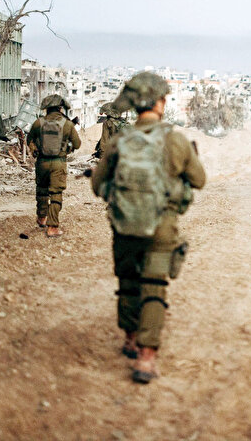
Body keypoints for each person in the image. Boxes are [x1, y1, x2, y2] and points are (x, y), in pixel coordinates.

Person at [91, 72, 206, 384]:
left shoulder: (119, 141)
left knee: (128, 282)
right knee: (153, 288)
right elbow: (199, 180)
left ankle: (129, 339)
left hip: (124, 225)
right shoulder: (175, 139)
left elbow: (98, 184)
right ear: (159, 102)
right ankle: (146, 357)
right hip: (162, 226)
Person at [27, 94, 81, 237]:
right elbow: (77, 144)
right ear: (60, 108)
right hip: (58, 163)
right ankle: (52, 227)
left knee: (42, 190)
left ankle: (42, 217)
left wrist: (35, 149)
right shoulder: (67, 124)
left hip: (42, 162)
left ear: (47, 109)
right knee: (56, 193)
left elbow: (29, 139)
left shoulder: (39, 123)